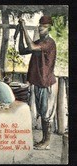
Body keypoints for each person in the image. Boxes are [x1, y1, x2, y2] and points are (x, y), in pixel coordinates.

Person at [18, 16, 57, 150]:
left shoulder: (49, 43)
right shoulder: (40, 42)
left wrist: (23, 27)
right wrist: (19, 33)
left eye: (44, 26)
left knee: (46, 114)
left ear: (49, 28)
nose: (41, 28)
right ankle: (43, 140)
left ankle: (46, 142)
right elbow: (22, 50)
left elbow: (31, 46)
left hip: (46, 83)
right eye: (40, 25)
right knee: (41, 111)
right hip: (39, 81)